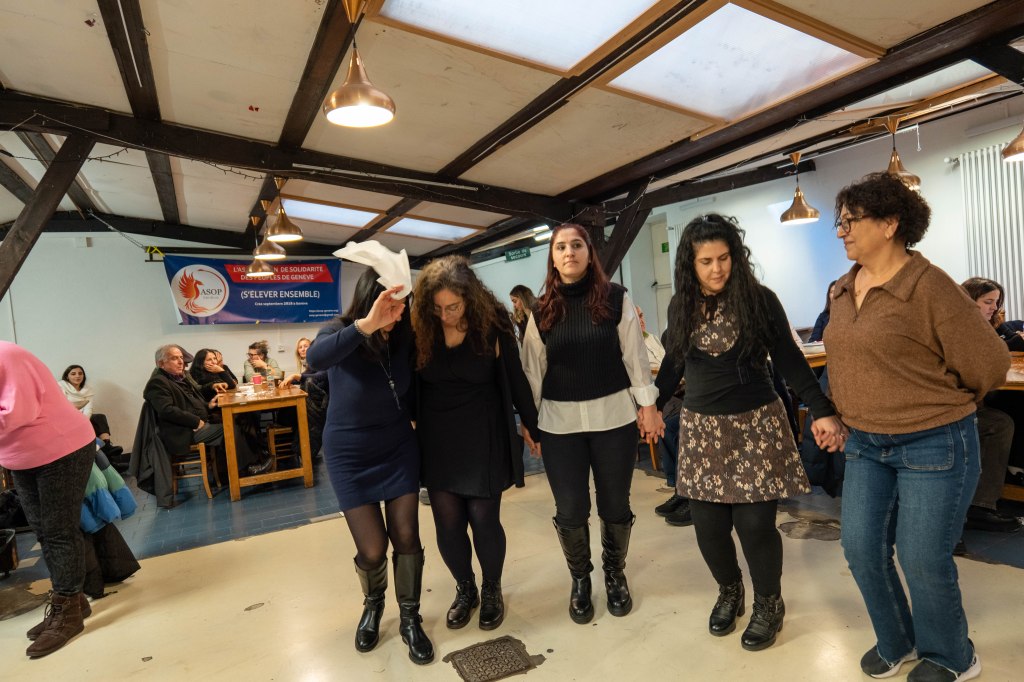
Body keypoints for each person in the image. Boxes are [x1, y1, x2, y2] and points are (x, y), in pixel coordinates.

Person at [826, 173, 1008, 681]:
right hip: (865, 443)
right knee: (861, 548)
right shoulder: (842, 289)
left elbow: (990, 363)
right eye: (840, 222)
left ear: (889, 224)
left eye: (850, 221)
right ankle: (898, 639)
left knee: (923, 557)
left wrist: (942, 402)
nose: (841, 231)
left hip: (934, 441)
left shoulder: (930, 286)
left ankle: (952, 655)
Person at [655, 213, 843, 651]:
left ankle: (768, 603)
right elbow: (674, 363)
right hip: (703, 431)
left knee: (755, 525)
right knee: (708, 527)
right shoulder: (681, 305)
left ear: (736, 257)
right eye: (706, 261)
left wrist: (821, 410)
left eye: (724, 258)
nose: (716, 269)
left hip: (755, 425)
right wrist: (649, 404)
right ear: (690, 264)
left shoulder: (759, 300)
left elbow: (790, 360)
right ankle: (729, 590)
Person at [521, 223, 661, 625]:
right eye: (561, 247)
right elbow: (532, 372)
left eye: (576, 245)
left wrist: (648, 406)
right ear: (553, 257)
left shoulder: (616, 298)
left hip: (613, 419)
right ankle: (580, 579)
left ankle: (615, 574)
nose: (569, 252)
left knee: (615, 504)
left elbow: (635, 356)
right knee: (570, 509)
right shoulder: (540, 311)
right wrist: (529, 423)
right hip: (559, 425)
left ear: (588, 252)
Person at [306, 267, 433, 665]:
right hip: (349, 454)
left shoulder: (405, 335)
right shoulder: (340, 331)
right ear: (370, 300)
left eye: (402, 304)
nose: (397, 313)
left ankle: (410, 617)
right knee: (373, 549)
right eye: (390, 305)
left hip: (397, 448)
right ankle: (374, 604)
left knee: (406, 534)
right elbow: (314, 358)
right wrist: (368, 324)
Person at [411, 256, 540, 632]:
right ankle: (465, 588)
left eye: (453, 307)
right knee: (448, 524)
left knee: (484, 519)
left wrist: (532, 425)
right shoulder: (421, 327)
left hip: (484, 433)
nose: (445, 315)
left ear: (469, 298)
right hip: (438, 438)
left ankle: (492, 588)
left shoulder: (493, 323)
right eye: (437, 308)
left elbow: (515, 377)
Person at [0, 341, 97, 658]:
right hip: (21, 457)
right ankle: (73, 599)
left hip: (61, 448)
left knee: (59, 531)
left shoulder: (6, 355)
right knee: (42, 530)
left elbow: (19, 411)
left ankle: (67, 611)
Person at [144, 345, 269, 483]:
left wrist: (208, 406)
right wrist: (195, 421)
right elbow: (166, 410)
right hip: (183, 431)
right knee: (231, 428)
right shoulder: (158, 382)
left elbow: (191, 402)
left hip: (197, 424)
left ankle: (233, 470)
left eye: (181, 358)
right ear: (161, 363)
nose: (181, 362)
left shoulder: (177, 378)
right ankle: (246, 469)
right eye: (174, 358)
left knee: (238, 421)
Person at [957, 278, 1021, 533]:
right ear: (969, 301)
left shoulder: (989, 324)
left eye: (996, 302)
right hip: (954, 408)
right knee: (1000, 423)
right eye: (988, 302)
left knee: (1007, 412)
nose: (994, 307)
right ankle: (980, 507)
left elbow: (1015, 343)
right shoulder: (959, 330)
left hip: (972, 400)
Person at [57, 365, 124, 460]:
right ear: (67, 376)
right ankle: (102, 449)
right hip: (67, 418)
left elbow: (88, 409)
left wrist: (84, 422)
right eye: (73, 374)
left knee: (99, 417)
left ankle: (107, 445)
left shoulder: (88, 390)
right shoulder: (61, 386)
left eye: (80, 373)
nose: (77, 376)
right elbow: (63, 407)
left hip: (82, 417)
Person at [636, 305, 666, 371]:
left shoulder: (653, 337)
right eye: (636, 319)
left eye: (641, 316)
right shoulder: (632, 347)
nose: (641, 321)